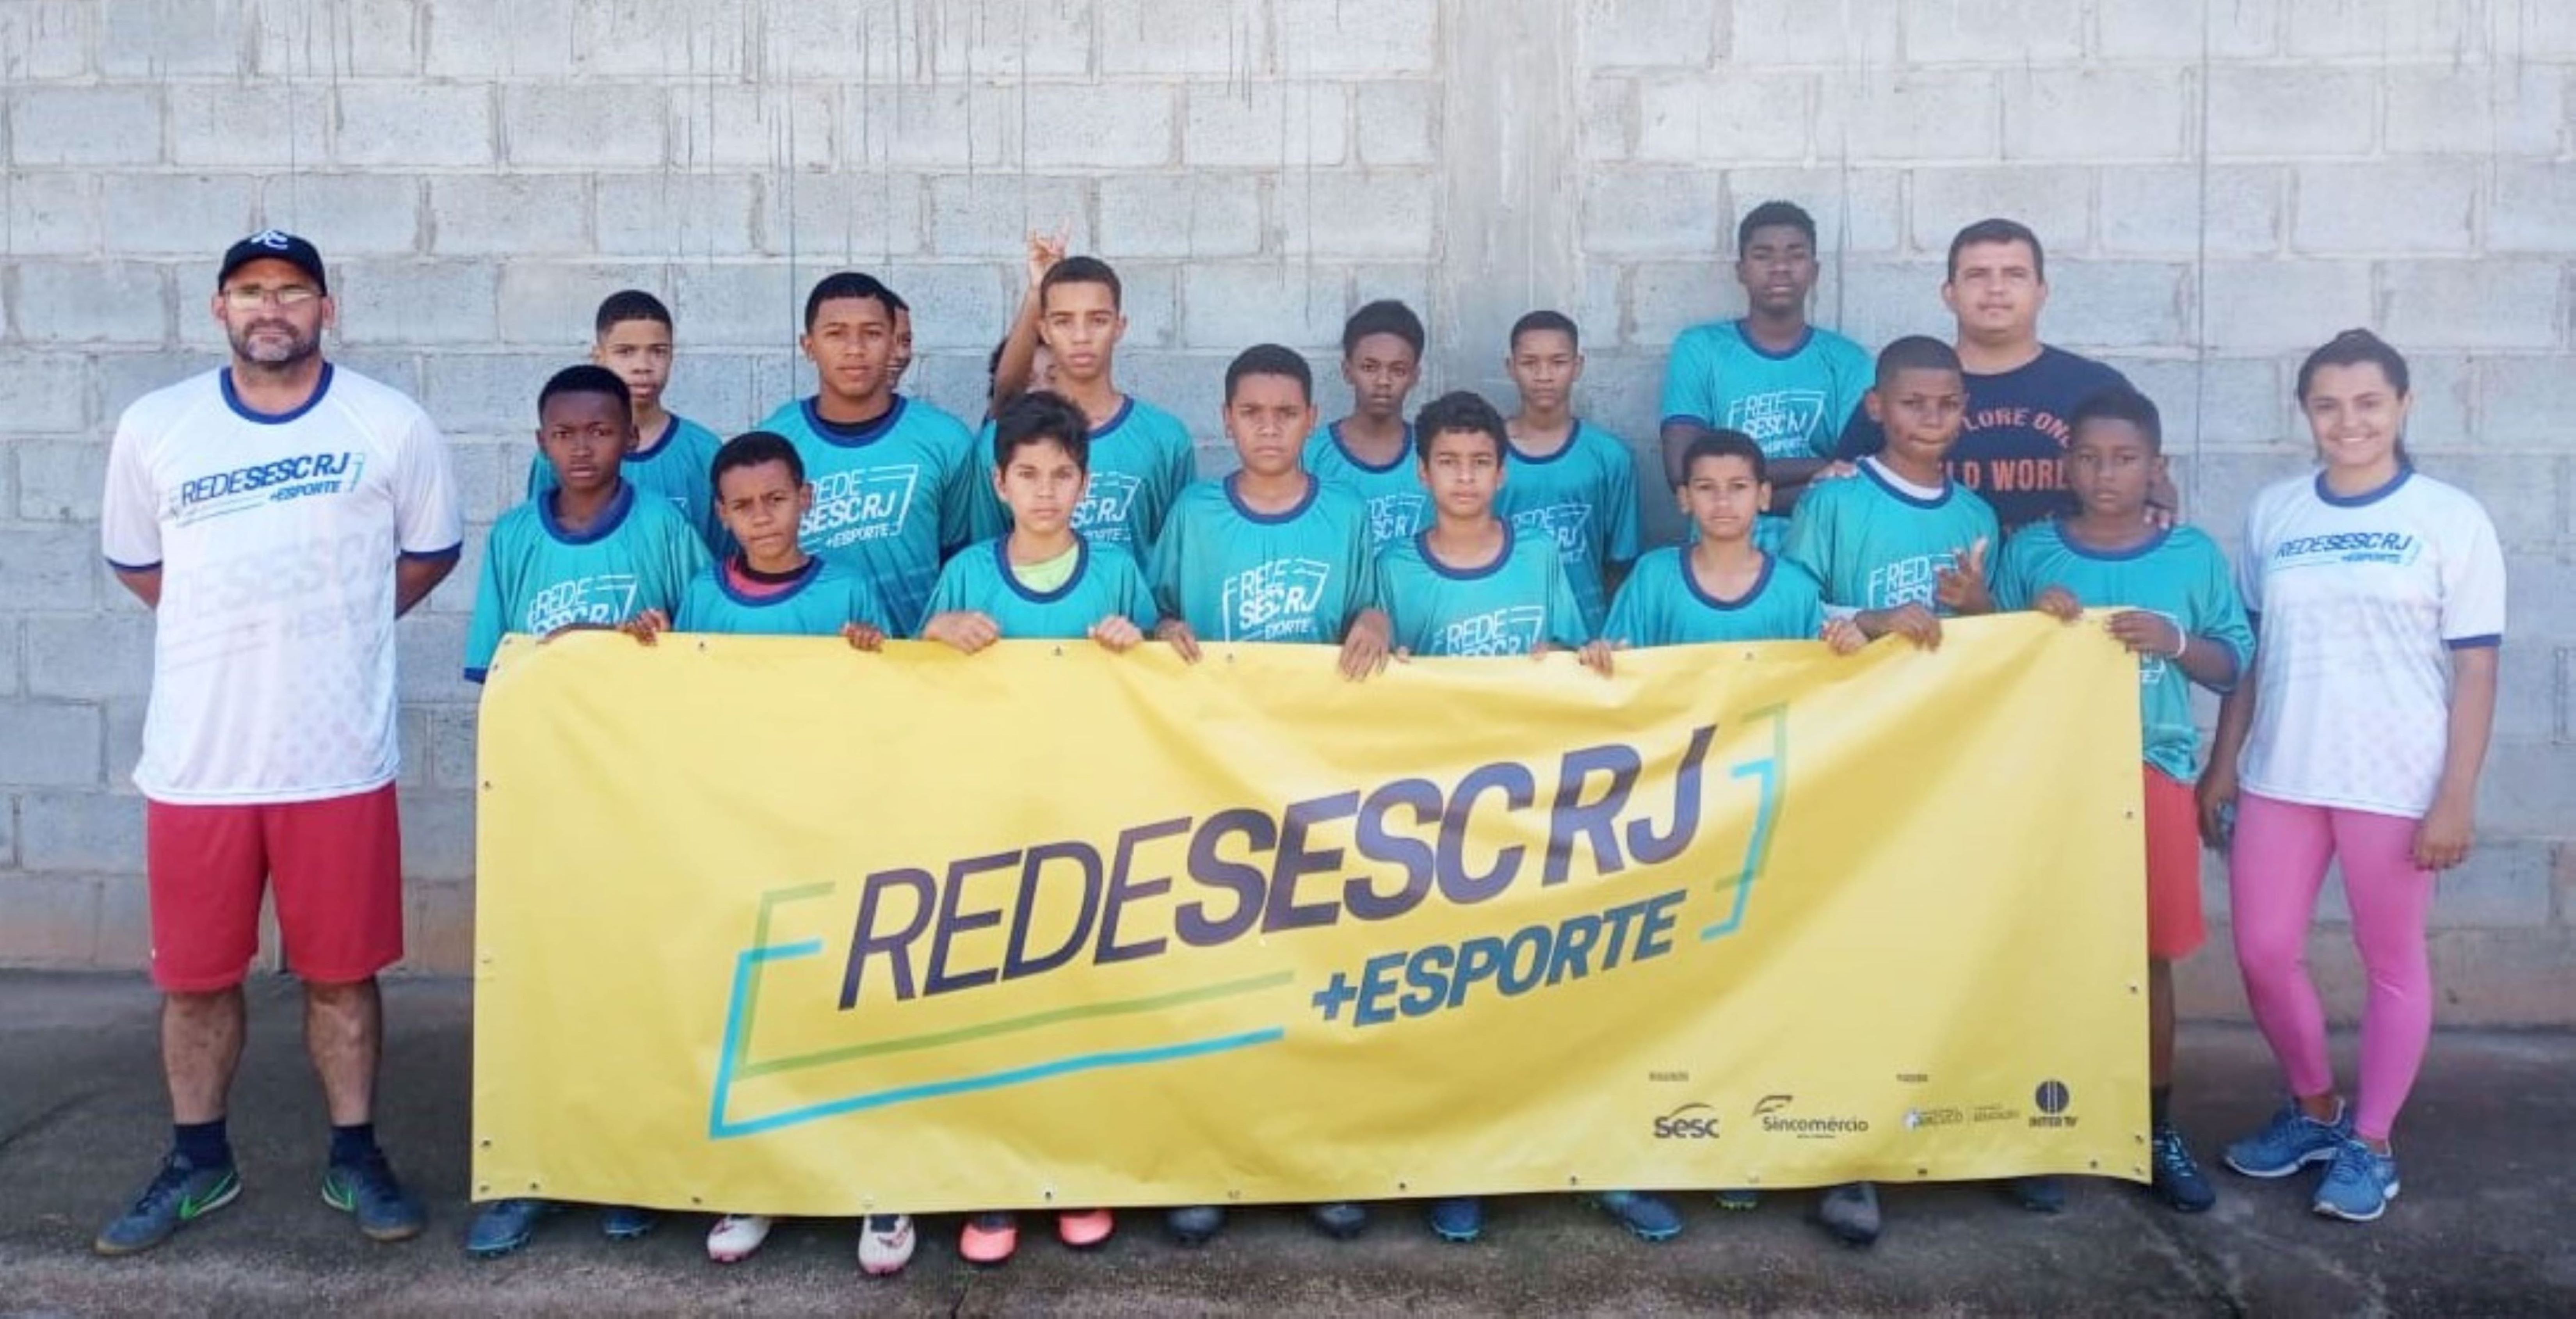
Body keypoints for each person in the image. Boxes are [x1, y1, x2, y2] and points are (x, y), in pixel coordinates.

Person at [93, 230, 461, 1256]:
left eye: (293, 291)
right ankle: (198, 1160)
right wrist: (237, 633)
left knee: (343, 975)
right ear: (220, 307)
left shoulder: (388, 423)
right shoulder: (157, 426)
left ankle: (356, 1155)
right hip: (199, 764)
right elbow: (141, 567)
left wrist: (334, 627)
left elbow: (430, 552)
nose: (272, 308)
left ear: (326, 308)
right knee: (196, 979)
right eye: (251, 290)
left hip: (336, 759)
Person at [2199, 330, 2504, 1224]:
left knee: (2391, 963)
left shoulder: (2449, 518)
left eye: (2368, 402)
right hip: (2282, 772)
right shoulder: (2276, 513)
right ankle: (2315, 1108)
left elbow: (2475, 669)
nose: (2348, 422)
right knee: (2261, 951)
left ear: (2403, 405)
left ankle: (2370, 1143)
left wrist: (2455, 796)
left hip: (2393, 780)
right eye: (2327, 405)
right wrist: (2223, 764)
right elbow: (2251, 654)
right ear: (2305, 412)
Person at [620, 431, 906, 1272]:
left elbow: (897, 710)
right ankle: (760, 1181)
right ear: (721, 513)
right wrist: (647, 644)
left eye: (777, 499)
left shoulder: (848, 591)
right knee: (759, 1015)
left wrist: (873, 654)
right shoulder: (702, 597)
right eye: (743, 506)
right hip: (742, 840)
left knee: (849, 1010)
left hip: (836, 836)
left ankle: (879, 1184)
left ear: (806, 499)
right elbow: (677, 713)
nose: (763, 517)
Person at [1576, 430, 1863, 1241]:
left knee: (1747, 985)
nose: (1724, 501)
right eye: (1707, 487)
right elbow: (1618, 684)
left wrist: (1847, 649)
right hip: (1668, 823)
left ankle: (1738, 1144)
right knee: (1658, 991)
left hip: (1764, 822)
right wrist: (1600, 658)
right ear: (1684, 499)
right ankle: (1639, 1152)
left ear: (1765, 497)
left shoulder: (1797, 589)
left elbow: (1835, 689)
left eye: (1740, 486)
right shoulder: (1654, 579)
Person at [455, 365, 706, 1258]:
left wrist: (652, 640)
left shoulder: (664, 527)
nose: (584, 447)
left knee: (638, 982)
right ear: (541, 444)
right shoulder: (515, 537)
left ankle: (633, 1167)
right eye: (565, 433)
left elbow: (705, 650)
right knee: (542, 985)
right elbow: (497, 673)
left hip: (642, 796)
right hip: (545, 803)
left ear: (631, 437)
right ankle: (532, 1173)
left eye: (601, 430)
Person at [1148, 344, 1392, 1248]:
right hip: (1209, 778)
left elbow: (1370, 615)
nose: (1268, 428)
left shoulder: (1344, 513)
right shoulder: (1195, 512)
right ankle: (1209, 1161)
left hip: (1315, 778)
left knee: (1314, 977)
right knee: (1215, 979)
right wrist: (1162, 626)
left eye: (1286, 413)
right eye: (1250, 413)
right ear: (1225, 420)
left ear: (1310, 419)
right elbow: (1155, 609)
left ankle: (1315, 1161)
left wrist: (1376, 618)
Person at [1992, 386, 2255, 1216]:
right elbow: (1985, 658)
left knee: (2149, 959)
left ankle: (2154, 1128)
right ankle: (2041, 1126)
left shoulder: (2191, 555)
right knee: (2046, 953)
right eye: (2090, 457)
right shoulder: (2033, 551)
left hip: (2153, 774)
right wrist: (2027, 623)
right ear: (2065, 465)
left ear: (2156, 466)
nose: (2106, 474)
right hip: (2053, 780)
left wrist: (2175, 642)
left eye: (2125, 458)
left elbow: (2235, 663)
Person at [918, 390, 1155, 1265]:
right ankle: (995, 1179)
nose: (1045, 492)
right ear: (999, 483)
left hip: (1092, 825)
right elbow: (910, 691)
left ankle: (1080, 1168)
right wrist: (935, 632)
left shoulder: (1116, 572)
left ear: (1085, 484)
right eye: (1028, 475)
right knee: (995, 1006)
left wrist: (1139, 642)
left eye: (1062, 475)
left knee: (1084, 1003)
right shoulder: (968, 574)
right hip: (989, 822)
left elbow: (1168, 689)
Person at [1780, 334, 1998, 1247]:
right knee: (1844, 955)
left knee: (1929, 951)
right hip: (1843, 759)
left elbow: (1998, 649)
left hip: (1939, 768)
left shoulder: (1976, 514)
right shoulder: (1834, 501)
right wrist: (1869, 620)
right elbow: (1788, 614)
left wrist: (1978, 611)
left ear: (1964, 412)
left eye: (1947, 404)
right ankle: (1845, 1155)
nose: (1930, 418)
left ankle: (1954, 1137)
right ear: (1876, 406)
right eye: (1913, 402)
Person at [1835, 218, 2142, 534]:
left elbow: (2150, 481)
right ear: (1949, 293)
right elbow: (1846, 486)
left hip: (2062, 564)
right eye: (1977, 275)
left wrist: (2159, 508)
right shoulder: (1903, 391)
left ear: (2042, 291)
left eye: (2015, 274)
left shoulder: (2097, 388)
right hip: (1933, 563)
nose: (1996, 289)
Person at [755, 271, 978, 637]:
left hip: (919, 658)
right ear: (808, 346)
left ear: (893, 344)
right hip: (807, 656)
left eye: (872, 333)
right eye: (835, 334)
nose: (855, 349)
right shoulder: (771, 443)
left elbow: (967, 563)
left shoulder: (946, 440)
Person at [969, 256, 1195, 555]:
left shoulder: (1166, 437)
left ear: (1119, 327)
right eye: (1063, 321)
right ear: (1044, 330)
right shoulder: (999, 439)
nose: (1081, 337)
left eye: (1098, 320)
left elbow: (1179, 559)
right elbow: (985, 558)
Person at [1658, 200, 1873, 513]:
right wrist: (1817, 468)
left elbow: (1857, 479)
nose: (1780, 268)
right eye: (1763, 256)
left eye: (1796, 255)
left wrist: (1734, 487)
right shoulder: (1700, 349)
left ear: (1815, 271)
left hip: (1821, 537)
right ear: (1741, 271)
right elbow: (1682, 472)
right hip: (1722, 541)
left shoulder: (1848, 360)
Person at [528, 290, 726, 551]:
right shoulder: (560, 454)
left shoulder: (705, 451)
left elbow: (722, 553)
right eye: (626, 352)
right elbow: (540, 541)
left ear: (672, 356)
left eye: (658, 351)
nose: (643, 365)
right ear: (599, 357)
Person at [1499, 310, 1641, 637]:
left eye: (1558, 362)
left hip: (1587, 640)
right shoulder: (1484, 457)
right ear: (1511, 367)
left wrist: (1612, 637)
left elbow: (1621, 564)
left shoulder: (1610, 457)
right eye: (1530, 363)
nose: (1544, 375)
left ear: (1578, 366)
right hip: (1507, 637)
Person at [1306, 299, 1432, 550]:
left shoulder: (1433, 453)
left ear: (1415, 377)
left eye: (1398, 370)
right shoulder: (1312, 452)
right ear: (1347, 371)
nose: (1383, 381)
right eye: (1369, 368)